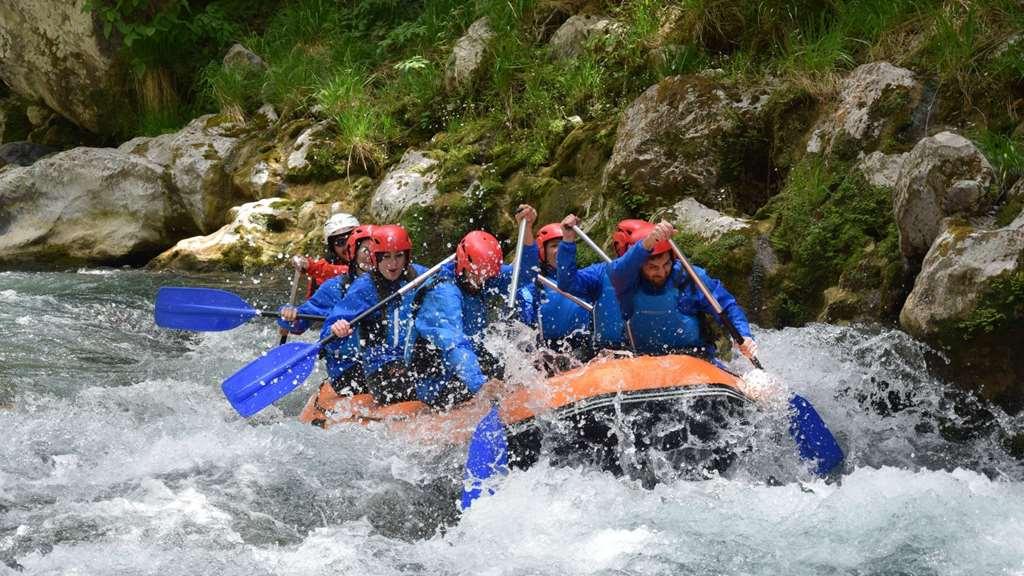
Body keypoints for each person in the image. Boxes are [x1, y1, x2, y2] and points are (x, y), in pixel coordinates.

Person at [407, 205, 539, 409]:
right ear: (462, 264)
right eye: (477, 275)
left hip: (467, 361)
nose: (481, 281)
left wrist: (528, 228)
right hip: (435, 378)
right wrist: (481, 386)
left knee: (522, 366)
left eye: (487, 276)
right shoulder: (444, 293)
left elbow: (526, 274)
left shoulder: (483, 274)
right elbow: (455, 345)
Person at [609, 219, 757, 362]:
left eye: (666, 264)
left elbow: (727, 307)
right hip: (641, 361)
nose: (661, 272)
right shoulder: (625, 282)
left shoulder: (691, 278)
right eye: (653, 267)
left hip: (693, 358)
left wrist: (744, 335)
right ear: (638, 266)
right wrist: (648, 242)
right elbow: (620, 270)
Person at [279, 225, 376, 425]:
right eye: (365, 251)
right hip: (348, 371)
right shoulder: (335, 287)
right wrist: (288, 316)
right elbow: (299, 324)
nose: (371, 256)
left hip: (384, 366)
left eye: (377, 251)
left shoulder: (397, 284)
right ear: (353, 254)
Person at [325, 224, 428, 405]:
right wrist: (336, 329)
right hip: (379, 363)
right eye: (386, 257)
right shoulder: (364, 288)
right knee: (404, 388)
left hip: (412, 356)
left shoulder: (419, 276)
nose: (393, 264)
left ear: (407, 256)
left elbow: (449, 277)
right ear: (376, 258)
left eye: (398, 256)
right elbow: (329, 330)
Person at [556, 216, 651, 352]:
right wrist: (567, 241)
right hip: (609, 354)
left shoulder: (663, 273)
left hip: (650, 353)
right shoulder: (601, 273)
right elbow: (567, 283)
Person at [519, 223, 594, 367]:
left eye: (563, 244)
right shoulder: (534, 286)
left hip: (585, 347)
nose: (560, 250)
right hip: (551, 352)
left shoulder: (585, 279)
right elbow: (525, 330)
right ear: (542, 251)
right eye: (554, 245)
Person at [294, 212, 360, 297]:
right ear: (332, 248)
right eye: (340, 242)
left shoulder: (372, 258)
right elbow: (312, 304)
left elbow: (357, 272)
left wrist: (312, 267)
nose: (348, 246)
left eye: (351, 239)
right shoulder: (322, 270)